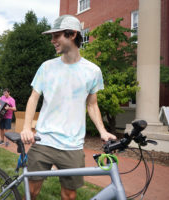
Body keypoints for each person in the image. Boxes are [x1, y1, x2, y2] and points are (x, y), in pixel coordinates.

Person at [20, 15, 117, 200]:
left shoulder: (93, 71)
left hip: (73, 145)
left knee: (70, 195)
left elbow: (92, 104)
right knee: (31, 192)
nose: (52, 41)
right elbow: (33, 98)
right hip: (44, 141)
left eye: (56, 36)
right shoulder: (46, 67)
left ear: (72, 35)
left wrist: (102, 131)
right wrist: (26, 127)